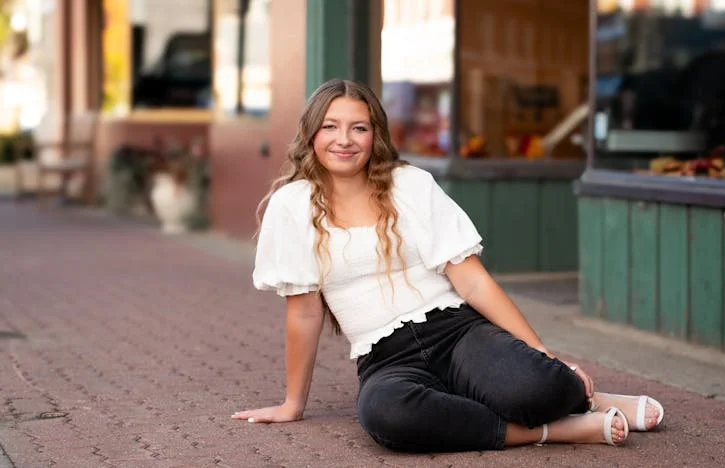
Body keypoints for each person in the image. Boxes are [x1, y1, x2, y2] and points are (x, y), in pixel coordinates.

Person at [231, 79, 664, 452]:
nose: (344, 139)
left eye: (358, 128)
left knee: (539, 386)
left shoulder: (410, 185)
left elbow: (472, 282)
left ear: (374, 135)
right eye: (330, 127)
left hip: (458, 333)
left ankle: (584, 400)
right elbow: (304, 311)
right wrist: (293, 404)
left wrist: (542, 356)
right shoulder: (292, 206)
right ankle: (553, 430)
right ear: (311, 135)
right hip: (386, 360)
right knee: (387, 417)